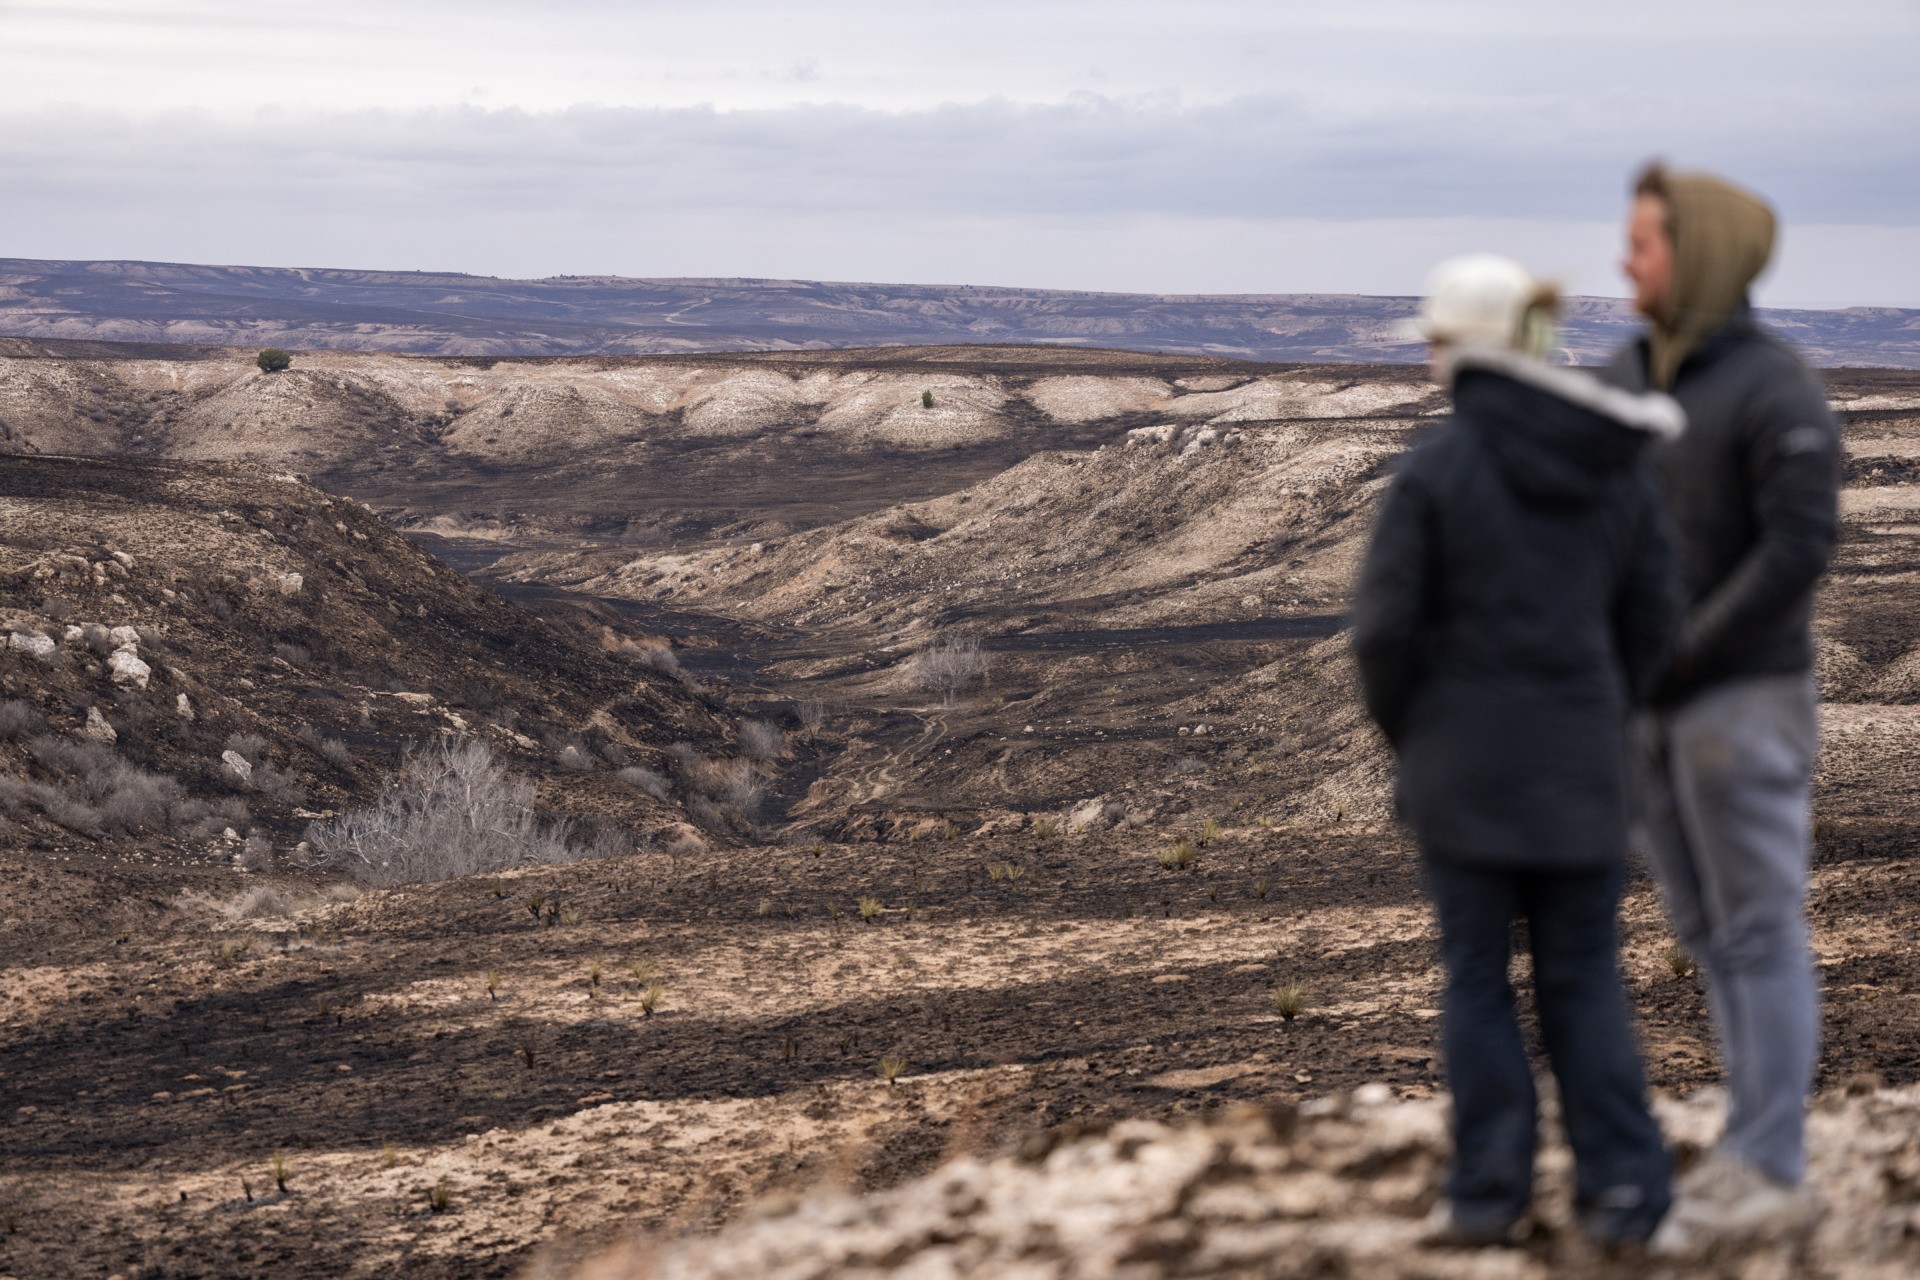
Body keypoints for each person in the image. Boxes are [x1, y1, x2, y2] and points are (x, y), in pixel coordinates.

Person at [1353, 253, 1682, 1247]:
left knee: (1477, 979)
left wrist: (1421, 735)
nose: (1430, 362)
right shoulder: (1613, 467)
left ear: (1461, 353)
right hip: (1582, 764)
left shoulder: (1436, 471)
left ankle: (1487, 1193)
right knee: (1584, 976)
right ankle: (1625, 1191)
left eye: (1436, 343)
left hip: (1464, 771)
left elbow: (1382, 633)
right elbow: (1656, 623)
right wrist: (1606, 715)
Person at [1605, 164, 1840, 1251]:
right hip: (1648, 707)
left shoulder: (1773, 387)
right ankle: (1750, 1147)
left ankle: (1769, 1164)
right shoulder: (1633, 374)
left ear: (1694, 251)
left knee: (1754, 929)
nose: (1625, 259)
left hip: (1739, 703)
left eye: (1645, 241)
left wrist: (1685, 651)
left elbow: (1799, 544)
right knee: (1706, 931)